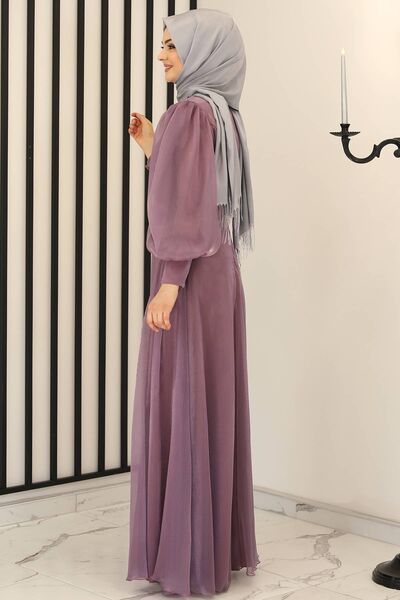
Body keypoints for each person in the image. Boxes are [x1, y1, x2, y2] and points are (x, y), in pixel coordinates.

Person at [126, 8, 259, 596]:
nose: (162, 54)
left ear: (203, 51)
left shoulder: (188, 111)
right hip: (220, 276)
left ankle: (183, 557)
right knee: (211, 401)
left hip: (188, 275)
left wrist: (169, 281)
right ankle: (211, 550)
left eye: (171, 44)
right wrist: (155, 147)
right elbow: (203, 190)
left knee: (182, 399)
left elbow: (186, 206)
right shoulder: (224, 113)